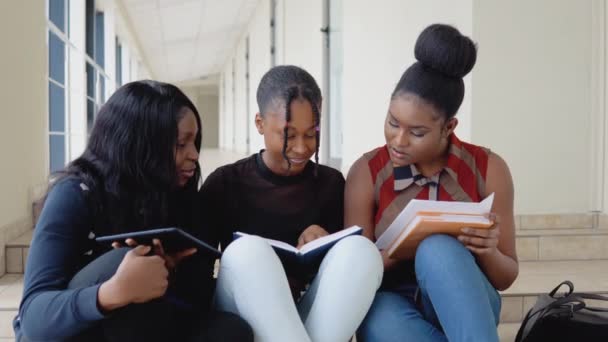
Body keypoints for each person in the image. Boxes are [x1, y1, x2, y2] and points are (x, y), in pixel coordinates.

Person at [14, 80, 252, 342]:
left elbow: (193, 303)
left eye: (195, 142)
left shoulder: (177, 196)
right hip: (76, 330)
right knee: (123, 263)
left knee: (232, 331)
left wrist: (169, 273)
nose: (195, 155)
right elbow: (33, 320)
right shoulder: (74, 195)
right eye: (181, 144)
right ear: (140, 145)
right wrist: (112, 292)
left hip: (143, 324)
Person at [345, 24, 518, 342]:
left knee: (437, 249)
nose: (398, 140)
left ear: (449, 126)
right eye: (393, 122)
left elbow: (506, 277)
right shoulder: (366, 172)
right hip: (393, 304)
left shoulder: (489, 168)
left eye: (417, 132)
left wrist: (488, 251)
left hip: (468, 302)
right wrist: (398, 250)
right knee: (377, 318)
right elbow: (355, 277)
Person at [199, 65, 383, 342]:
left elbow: (339, 279)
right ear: (259, 123)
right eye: (288, 134)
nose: (301, 148)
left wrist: (325, 242)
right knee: (246, 253)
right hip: (243, 314)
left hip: (309, 317)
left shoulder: (331, 184)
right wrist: (269, 285)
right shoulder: (224, 183)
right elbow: (201, 275)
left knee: (362, 251)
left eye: (311, 134)